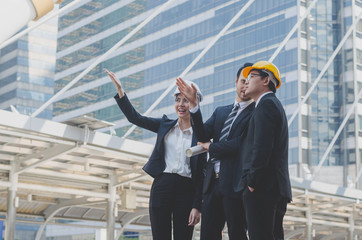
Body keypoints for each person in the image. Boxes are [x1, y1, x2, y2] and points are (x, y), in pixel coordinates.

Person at [105, 69, 206, 240]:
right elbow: (135, 118)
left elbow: (202, 175)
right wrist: (121, 91)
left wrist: (197, 206)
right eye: (177, 100)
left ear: (195, 104)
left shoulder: (201, 135)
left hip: (186, 190)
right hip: (162, 186)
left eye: (186, 100)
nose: (181, 104)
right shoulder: (164, 125)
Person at [199, 61, 292, 240]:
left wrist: (251, 182)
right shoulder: (269, 105)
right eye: (245, 78)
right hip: (270, 187)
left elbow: (262, 147)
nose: (247, 81)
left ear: (266, 80)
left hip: (263, 188)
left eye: (252, 77)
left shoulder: (266, 105)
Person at [176, 63, 255, 240]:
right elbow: (201, 134)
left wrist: (211, 147)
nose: (245, 86)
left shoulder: (255, 114)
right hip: (212, 185)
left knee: (237, 233)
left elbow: (240, 145)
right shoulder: (221, 112)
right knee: (208, 235)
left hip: (236, 184)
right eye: (242, 81)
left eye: (249, 82)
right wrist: (194, 105)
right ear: (236, 81)